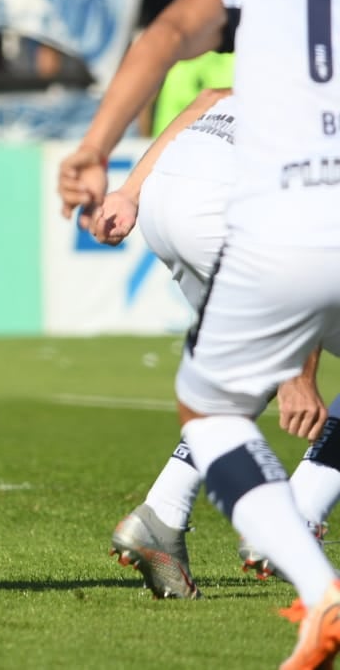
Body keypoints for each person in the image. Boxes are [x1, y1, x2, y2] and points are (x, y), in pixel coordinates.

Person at [59, 0, 340, 667]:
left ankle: (185, 528)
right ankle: (302, 533)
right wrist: (303, 365)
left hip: (177, 189)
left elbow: (170, 38)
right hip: (279, 210)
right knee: (271, 382)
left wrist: (105, 164)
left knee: (216, 405)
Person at [88, 87, 326, 598]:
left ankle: (162, 517)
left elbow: (213, 96)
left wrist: (130, 191)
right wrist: (299, 376)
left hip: (167, 194)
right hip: (225, 210)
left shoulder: (302, 66)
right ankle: (295, 520)